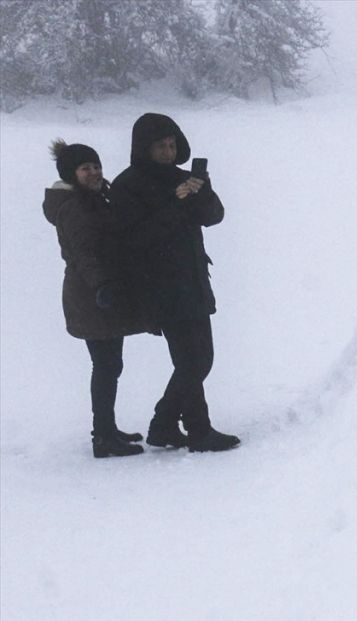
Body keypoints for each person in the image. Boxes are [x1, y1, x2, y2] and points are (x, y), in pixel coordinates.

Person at [109, 113, 240, 453]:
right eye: (160, 147)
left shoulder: (182, 177)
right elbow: (134, 238)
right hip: (158, 284)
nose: (168, 152)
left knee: (200, 358)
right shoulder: (127, 186)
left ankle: (165, 423)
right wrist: (176, 201)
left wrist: (201, 192)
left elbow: (213, 217)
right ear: (144, 149)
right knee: (192, 360)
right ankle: (196, 429)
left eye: (171, 145)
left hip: (192, 277)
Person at [42, 139, 152, 459]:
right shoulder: (75, 207)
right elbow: (83, 254)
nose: (93, 172)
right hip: (91, 294)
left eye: (96, 166)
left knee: (110, 364)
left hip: (99, 292)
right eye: (85, 168)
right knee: (105, 365)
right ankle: (102, 436)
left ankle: (107, 429)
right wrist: (102, 285)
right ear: (71, 173)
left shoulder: (93, 198)